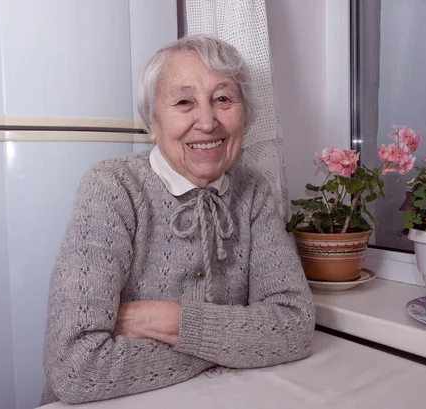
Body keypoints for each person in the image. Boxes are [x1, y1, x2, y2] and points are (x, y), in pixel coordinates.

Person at [40, 35, 315, 405]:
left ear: (245, 115)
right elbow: (75, 369)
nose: (207, 121)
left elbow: (293, 328)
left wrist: (163, 319)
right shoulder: (113, 185)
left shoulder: (253, 191)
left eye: (223, 99)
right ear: (153, 122)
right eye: (184, 101)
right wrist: (237, 341)